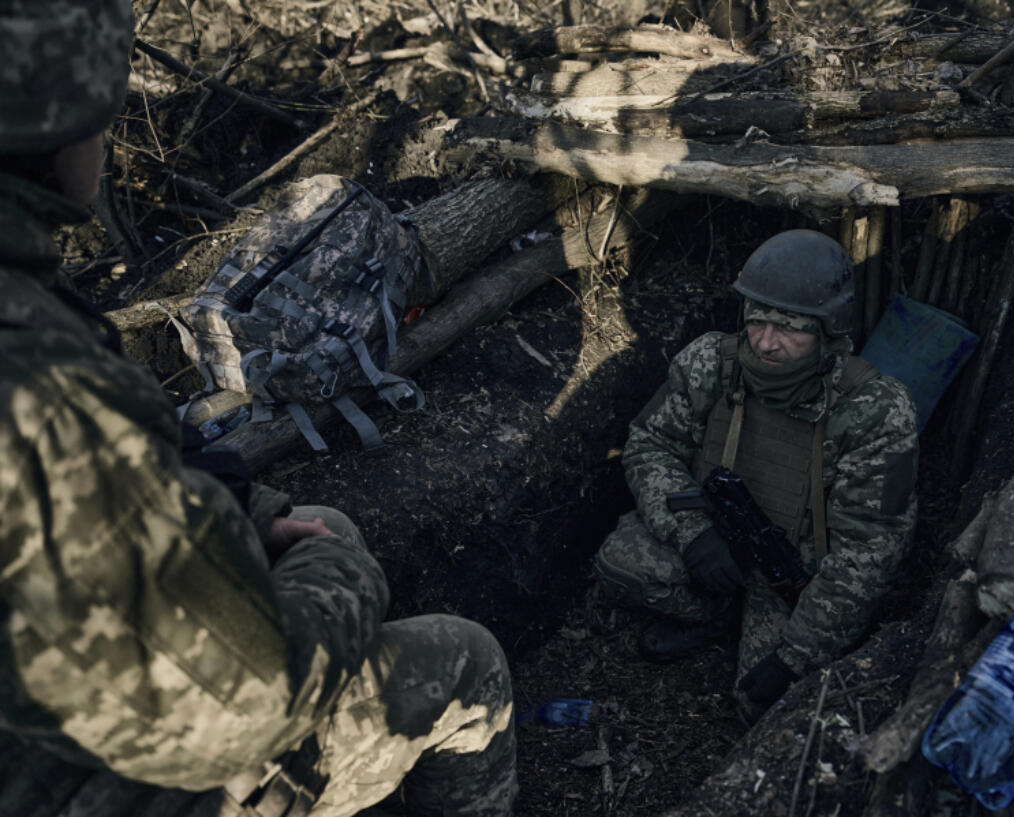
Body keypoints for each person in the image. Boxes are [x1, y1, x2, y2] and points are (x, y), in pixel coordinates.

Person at [0, 2, 515, 815]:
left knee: (318, 521)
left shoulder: (28, 307)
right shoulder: (41, 386)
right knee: (467, 662)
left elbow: (122, 488)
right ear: (57, 130)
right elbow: (246, 709)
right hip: (96, 776)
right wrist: (344, 574)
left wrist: (249, 509)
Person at [595, 229, 919, 722]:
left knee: (761, 705)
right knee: (619, 562)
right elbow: (650, 444)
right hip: (721, 542)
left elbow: (868, 554)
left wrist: (795, 657)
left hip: (798, 581)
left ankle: (748, 626)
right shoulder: (711, 363)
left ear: (828, 330)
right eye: (759, 321)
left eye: (790, 328)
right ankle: (718, 617)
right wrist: (694, 532)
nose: (767, 342)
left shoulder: (876, 411)